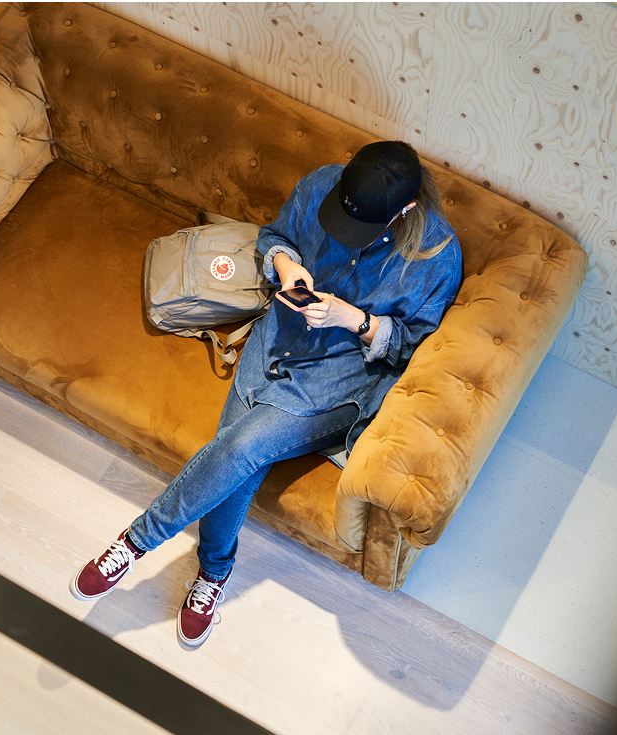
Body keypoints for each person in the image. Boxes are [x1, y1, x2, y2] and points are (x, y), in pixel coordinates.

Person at [70, 140, 462, 646]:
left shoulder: (436, 256)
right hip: (275, 341)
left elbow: (410, 348)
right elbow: (275, 237)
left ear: (406, 209)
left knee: (243, 446)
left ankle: (134, 543)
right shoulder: (324, 182)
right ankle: (213, 573)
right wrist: (285, 266)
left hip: (338, 381)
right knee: (240, 458)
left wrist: (356, 320)